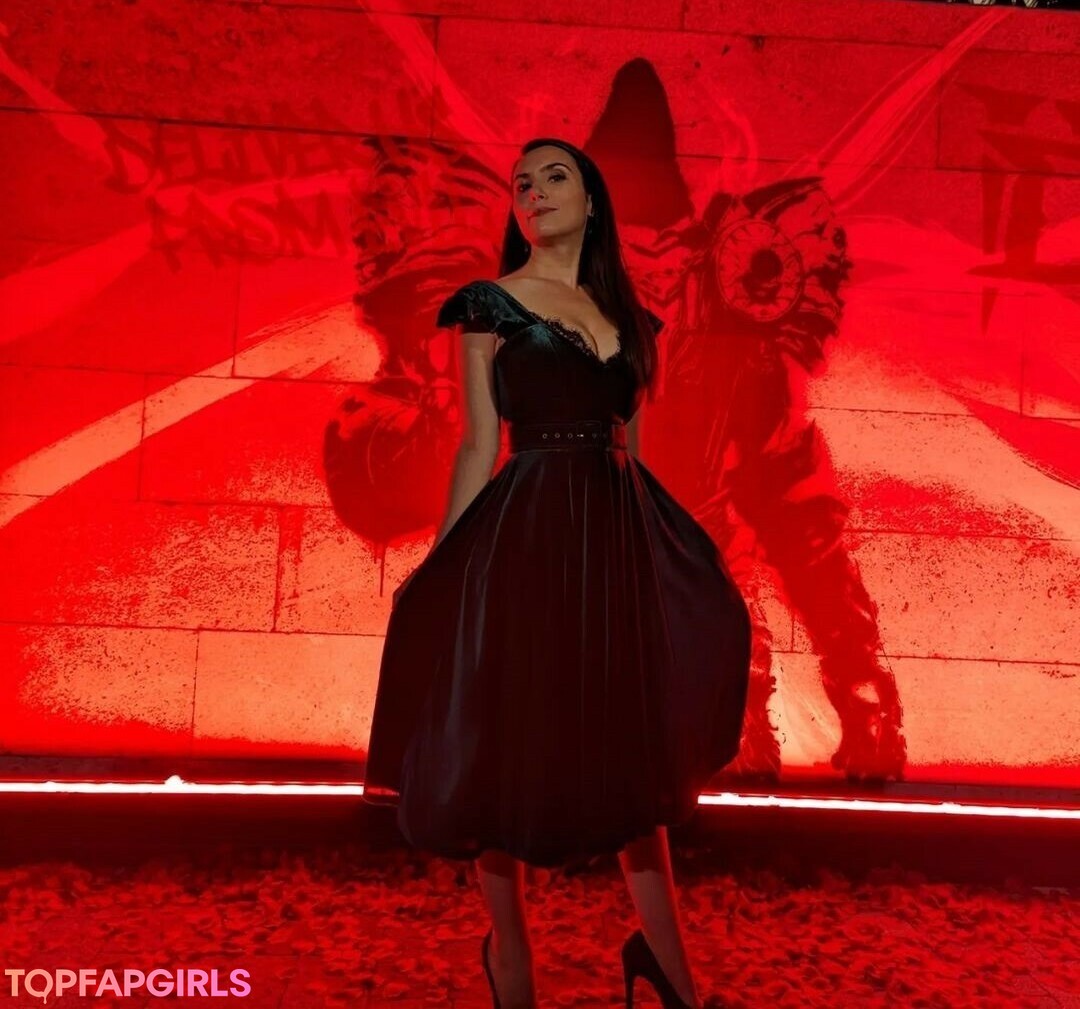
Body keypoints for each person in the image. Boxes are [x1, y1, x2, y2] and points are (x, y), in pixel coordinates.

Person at [362, 137, 751, 1009]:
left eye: (554, 176)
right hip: (526, 537)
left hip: (613, 547)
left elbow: (632, 453)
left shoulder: (631, 320)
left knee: (632, 752)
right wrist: (444, 564)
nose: (534, 191)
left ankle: (671, 971)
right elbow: (477, 446)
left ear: (592, 199)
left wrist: (665, 560)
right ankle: (512, 952)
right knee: (506, 737)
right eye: (521, 182)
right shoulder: (487, 306)